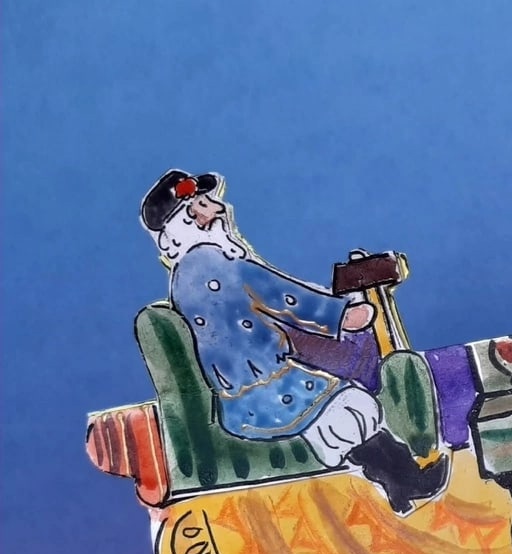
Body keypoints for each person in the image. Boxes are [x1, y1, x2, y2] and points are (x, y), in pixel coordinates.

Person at [140, 169, 446, 513]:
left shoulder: (186, 274)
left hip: (252, 387)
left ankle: (403, 488)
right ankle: (408, 485)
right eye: (204, 204)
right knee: (349, 408)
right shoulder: (212, 264)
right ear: (189, 219)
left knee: (350, 410)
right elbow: (280, 295)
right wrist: (341, 315)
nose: (219, 209)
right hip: (262, 389)